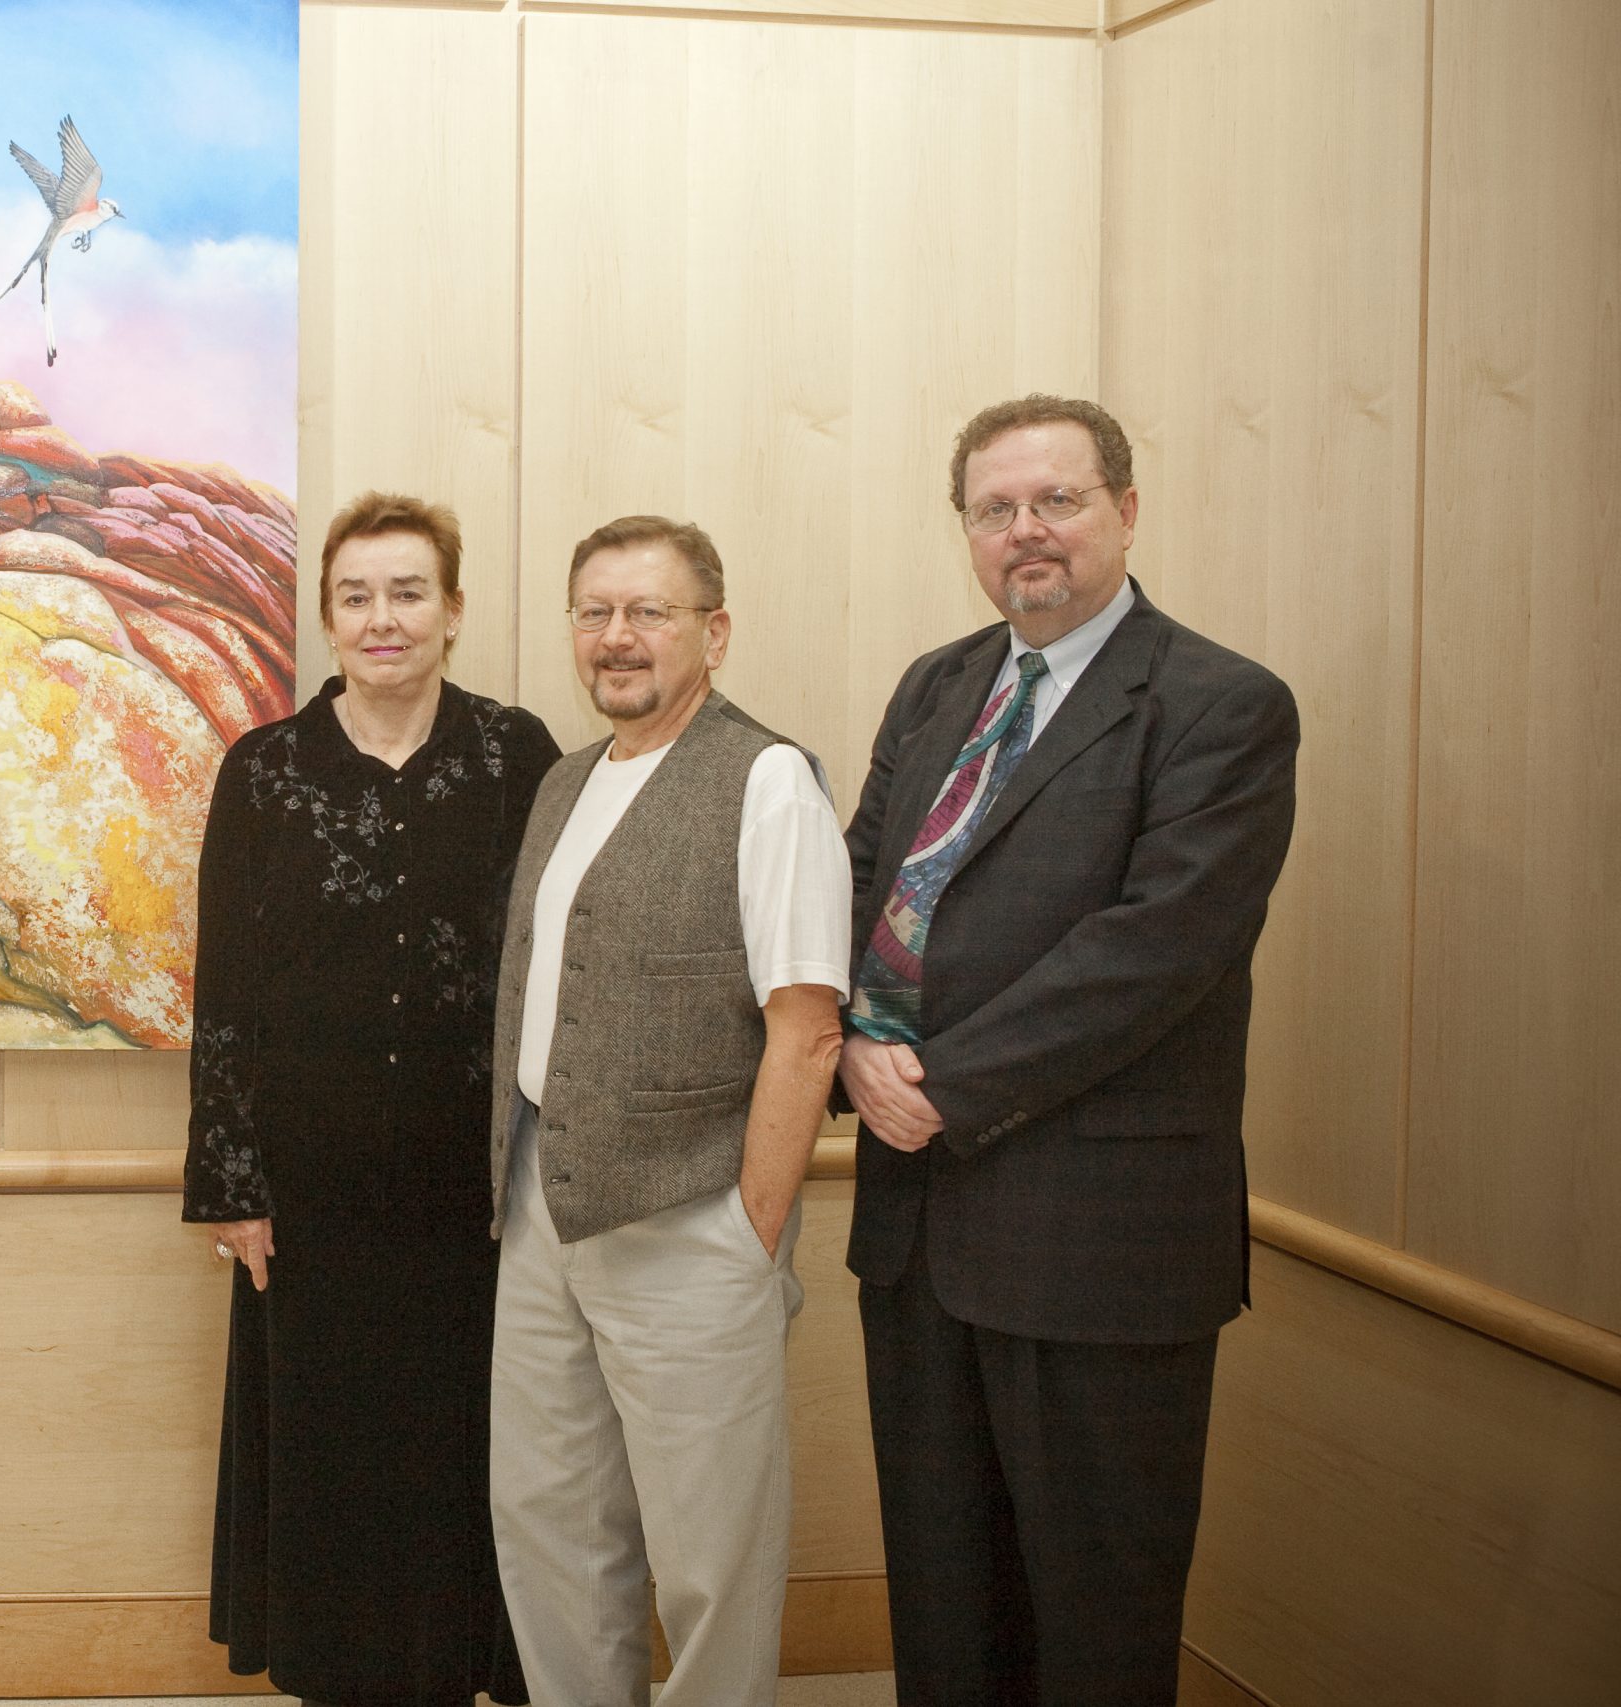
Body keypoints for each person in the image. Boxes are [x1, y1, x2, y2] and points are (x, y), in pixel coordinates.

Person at [838, 395, 1301, 1707]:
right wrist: (848, 1052)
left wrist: (937, 1088)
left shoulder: (1220, 703)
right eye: (996, 509)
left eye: (1057, 500)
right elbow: (866, 882)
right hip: (919, 1229)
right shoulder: (939, 683)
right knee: (946, 1600)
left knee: (1094, 1616)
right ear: (969, 532)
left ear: (1126, 511)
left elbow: (1156, 951)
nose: (1026, 532)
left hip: (1101, 1242)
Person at [184, 490, 559, 1707]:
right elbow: (226, 988)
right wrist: (234, 1186)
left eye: (408, 593)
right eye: (357, 596)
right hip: (312, 1193)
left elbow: (560, 966)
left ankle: (456, 1672)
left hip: (477, 1188)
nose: (382, 618)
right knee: (335, 1458)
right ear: (328, 617)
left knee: (462, 1446)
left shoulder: (517, 755)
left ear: (452, 611)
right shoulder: (265, 770)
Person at [487, 515, 851, 1707]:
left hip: (694, 1216)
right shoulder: (563, 782)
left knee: (708, 1557)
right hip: (547, 1203)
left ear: (715, 632)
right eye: (594, 613)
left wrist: (750, 1233)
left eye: (650, 612)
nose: (618, 637)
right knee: (549, 1522)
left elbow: (806, 1028)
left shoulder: (766, 781)